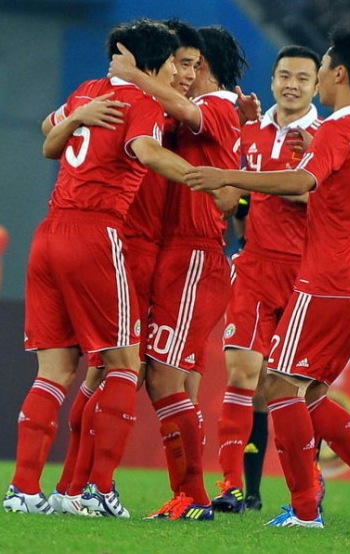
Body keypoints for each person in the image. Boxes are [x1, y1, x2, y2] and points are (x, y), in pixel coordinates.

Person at [185, 23, 350, 530]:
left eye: (322, 69)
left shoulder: (336, 130)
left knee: (280, 386)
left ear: (339, 73)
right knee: (307, 394)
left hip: (323, 281)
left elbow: (301, 181)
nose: (318, 78)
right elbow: (336, 185)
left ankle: (306, 511)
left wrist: (229, 175)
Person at [3, 18, 195, 517]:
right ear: (153, 61)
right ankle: (96, 493)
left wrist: (75, 118)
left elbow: (49, 133)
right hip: (95, 234)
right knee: (123, 364)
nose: (179, 70)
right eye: (175, 61)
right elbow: (145, 150)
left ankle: (24, 491)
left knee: (55, 370)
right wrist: (196, 175)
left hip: (48, 233)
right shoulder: (145, 104)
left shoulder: (89, 90)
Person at [108, 24, 248, 521]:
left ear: (207, 65)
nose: (183, 73)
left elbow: (189, 111)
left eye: (191, 64)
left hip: (195, 258)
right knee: (175, 380)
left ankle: (194, 494)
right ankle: (188, 493)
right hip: (175, 256)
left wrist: (132, 74)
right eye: (177, 64)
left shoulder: (217, 106)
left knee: (165, 376)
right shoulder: (207, 115)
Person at [209, 45, 324, 514]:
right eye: (283, 75)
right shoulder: (250, 133)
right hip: (255, 265)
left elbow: (340, 209)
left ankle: (309, 487)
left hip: (309, 274)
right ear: (273, 79)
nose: (291, 84)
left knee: (303, 388)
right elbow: (232, 199)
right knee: (243, 374)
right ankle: (236, 488)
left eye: (302, 77)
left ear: (318, 85)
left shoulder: (327, 136)